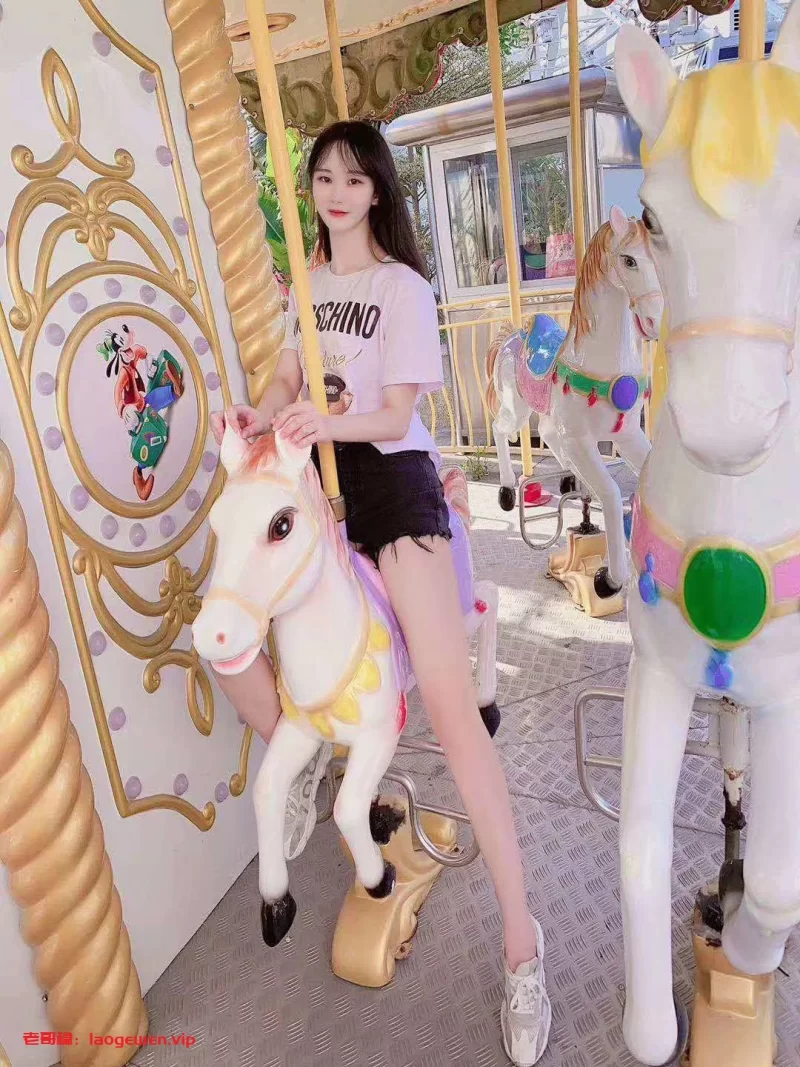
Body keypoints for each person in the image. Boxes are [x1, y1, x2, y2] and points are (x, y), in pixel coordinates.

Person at [210, 120, 551, 1066]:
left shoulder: (402, 287)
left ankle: (522, 942)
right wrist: (259, 410)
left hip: (389, 481)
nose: (335, 192)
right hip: (320, 486)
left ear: (377, 193)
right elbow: (288, 375)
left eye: (354, 179)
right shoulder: (311, 286)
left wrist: (326, 421)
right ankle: (309, 764)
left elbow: (397, 411)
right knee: (237, 639)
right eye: (323, 177)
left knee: (449, 703)